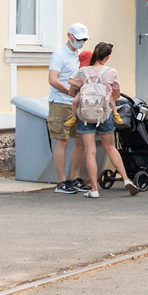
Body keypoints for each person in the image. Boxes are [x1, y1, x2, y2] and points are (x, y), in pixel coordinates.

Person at [73, 43, 138, 198]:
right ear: (107, 57)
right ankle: (126, 179)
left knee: (90, 151)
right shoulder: (111, 72)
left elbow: (72, 92)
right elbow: (116, 94)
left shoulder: (82, 72)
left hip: (86, 115)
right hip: (105, 113)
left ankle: (94, 189)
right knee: (110, 147)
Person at [48, 23, 90, 194]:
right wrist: (69, 92)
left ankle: (74, 178)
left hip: (77, 103)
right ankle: (61, 182)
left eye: (84, 40)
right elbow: (53, 79)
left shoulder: (79, 54)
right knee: (62, 140)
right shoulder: (59, 54)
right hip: (61, 102)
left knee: (80, 140)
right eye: (79, 39)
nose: (82, 42)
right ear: (69, 36)